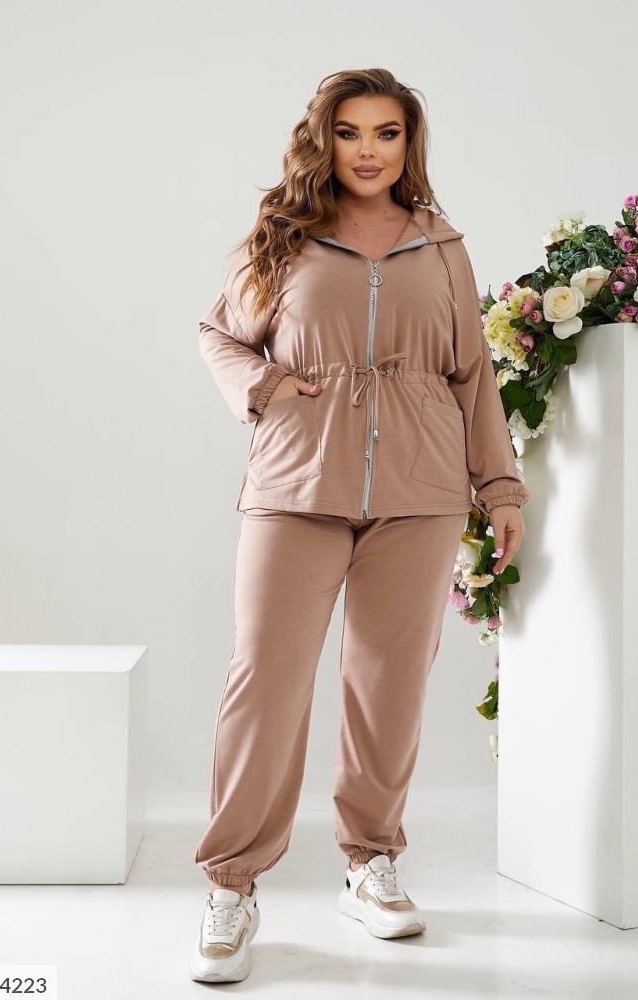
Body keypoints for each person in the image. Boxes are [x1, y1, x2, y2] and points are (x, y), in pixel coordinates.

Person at [189, 67, 531, 983]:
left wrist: (500, 487)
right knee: (265, 680)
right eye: (350, 133)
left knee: (388, 687)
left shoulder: (441, 245)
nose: (369, 151)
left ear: (409, 143)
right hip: (297, 484)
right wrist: (264, 386)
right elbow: (219, 334)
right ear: (324, 140)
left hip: (420, 490)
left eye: (387, 133)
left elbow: (472, 373)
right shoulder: (285, 236)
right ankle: (231, 885)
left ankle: (370, 861)